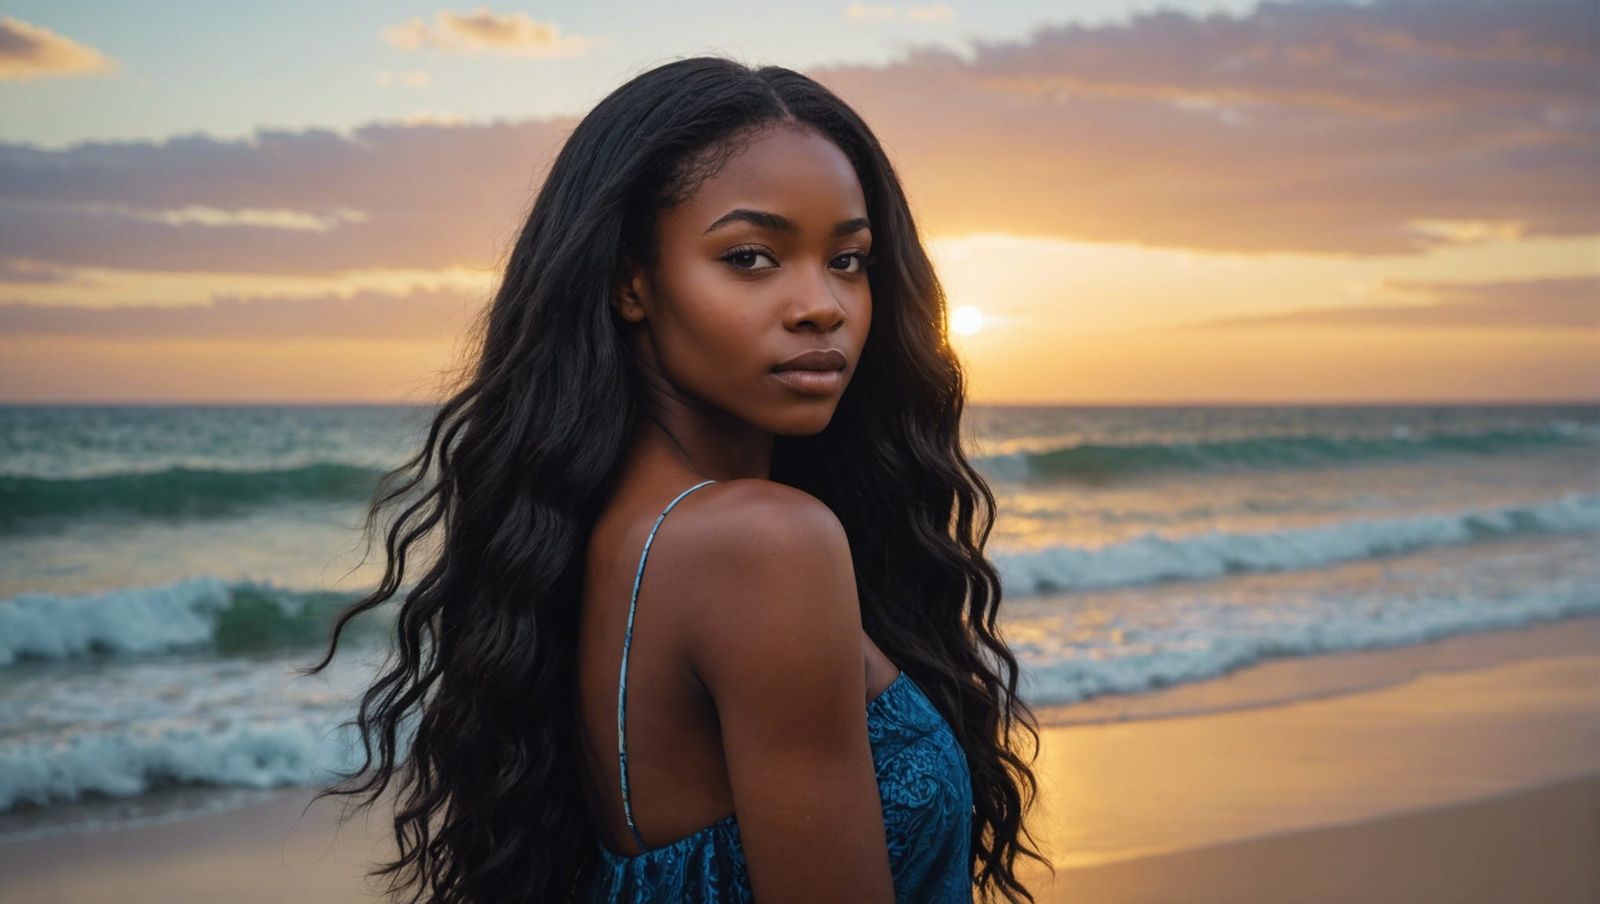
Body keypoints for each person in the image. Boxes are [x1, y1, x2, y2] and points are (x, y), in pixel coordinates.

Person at [301, 55, 1049, 903]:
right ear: (631, 283)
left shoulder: (608, 534)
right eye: (751, 257)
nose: (823, 304)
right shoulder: (762, 543)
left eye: (848, 259)